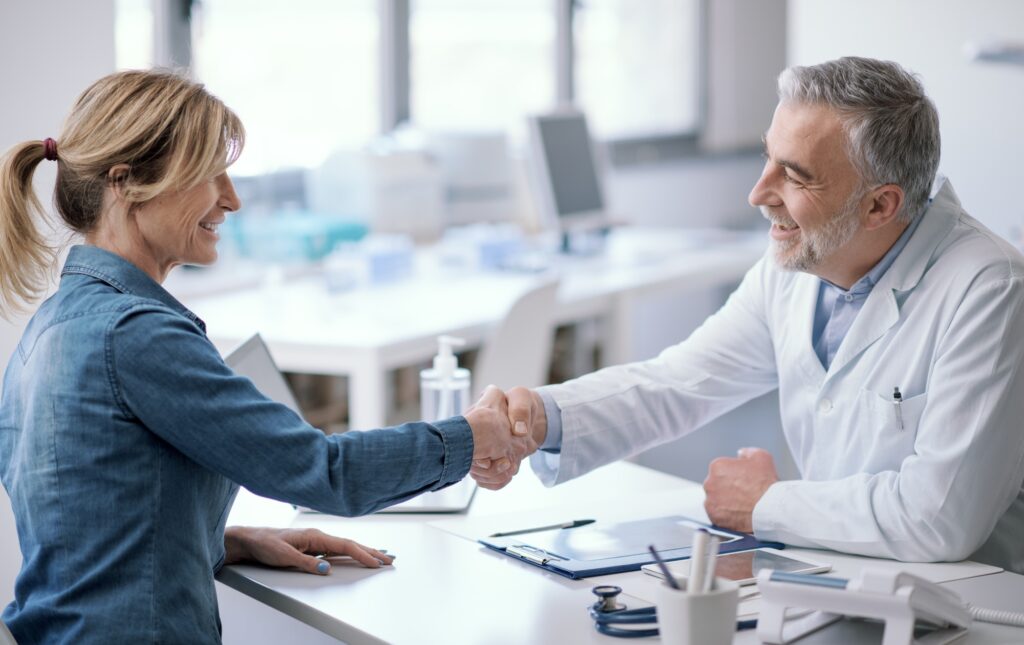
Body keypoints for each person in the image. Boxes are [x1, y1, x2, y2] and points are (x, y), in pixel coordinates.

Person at [0, 70, 530, 644]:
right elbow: (329, 473)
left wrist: (229, 539)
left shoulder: (47, 329)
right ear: (126, 183)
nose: (232, 198)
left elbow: (87, 530)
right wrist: (472, 436)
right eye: (208, 175)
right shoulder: (135, 335)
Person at [475, 57, 1024, 573]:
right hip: (844, 574)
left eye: (796, 175)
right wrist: (543, 417)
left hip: (977, 603)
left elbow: (939, 516)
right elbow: (681, 382)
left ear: (880, 205)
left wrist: (764, 503)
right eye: (768, 157)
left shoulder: (989, 287)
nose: (758, 193)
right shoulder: (797, 264)